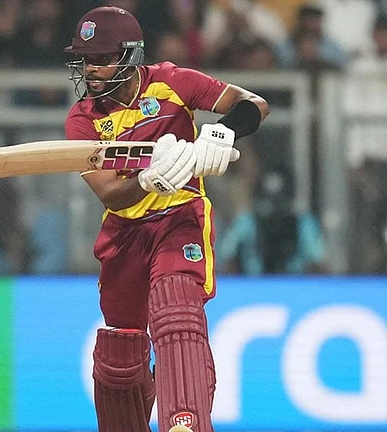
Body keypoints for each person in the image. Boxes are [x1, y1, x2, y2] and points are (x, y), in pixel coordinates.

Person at [63, 6, 269, 432]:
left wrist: (222, 131)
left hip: (179, 218)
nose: (92, 69)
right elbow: (113, 195)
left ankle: (185, 420)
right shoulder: (83, 119)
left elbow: (255, 103)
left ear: (130, 55)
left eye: (102, 58)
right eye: (86, 59)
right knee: (122, 352)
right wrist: (149, 179)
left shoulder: (171, 82)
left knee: (177, 308)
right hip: (125, 235)